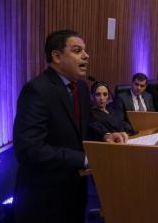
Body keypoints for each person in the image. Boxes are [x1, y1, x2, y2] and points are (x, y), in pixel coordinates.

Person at [13, 30, 125, 223]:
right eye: (77, 50)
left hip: (76, 189)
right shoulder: (37, 90)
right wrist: (84, 159)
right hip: (45, 197)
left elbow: (85, 122)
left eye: (85, 50)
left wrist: (105, 135)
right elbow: (29, 149)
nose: (86, 55)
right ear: (56, 56)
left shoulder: (80, 87)